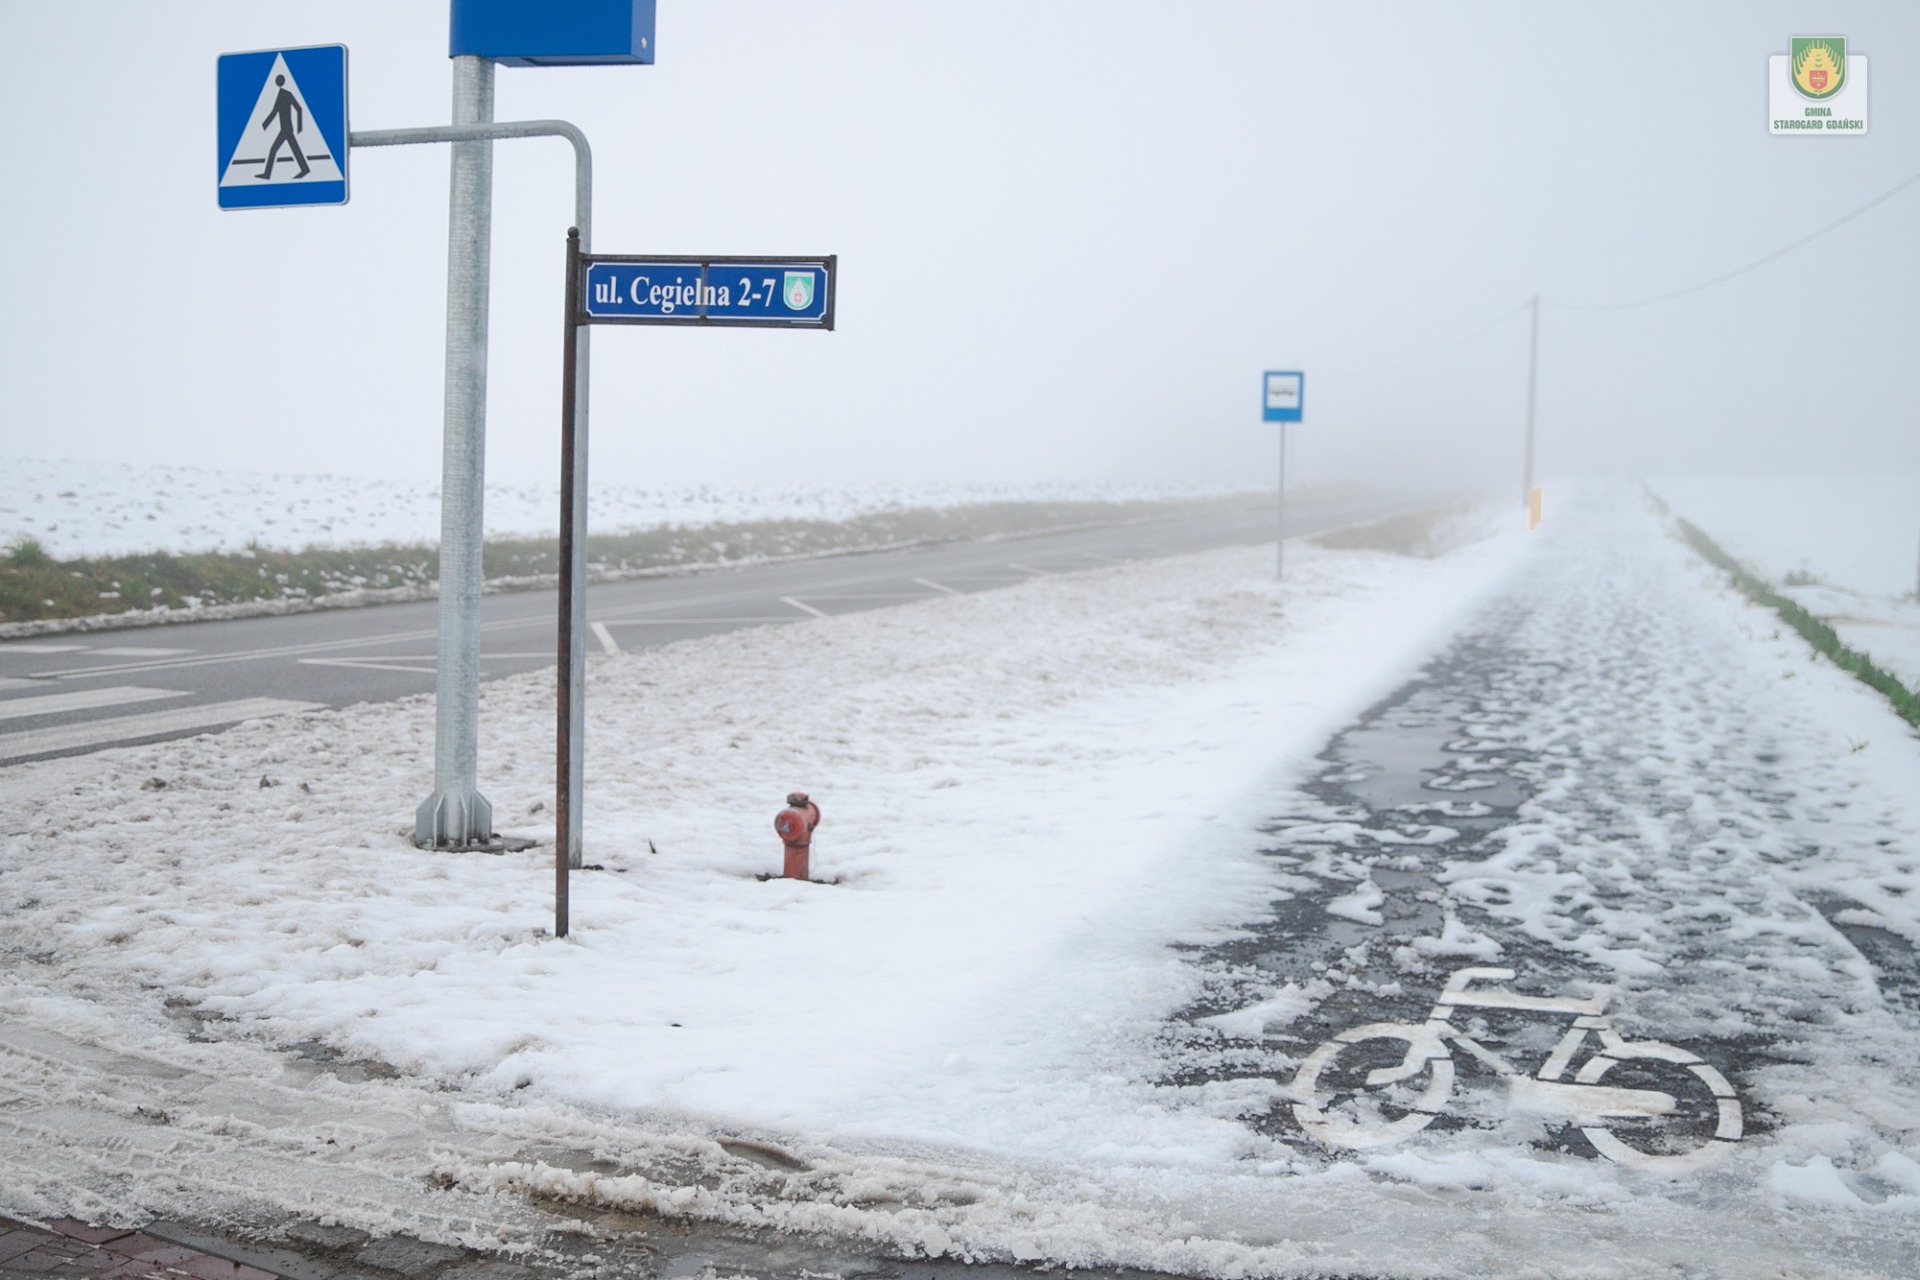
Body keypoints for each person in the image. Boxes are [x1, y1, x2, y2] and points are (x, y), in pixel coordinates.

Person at [257, 74, 311, 181]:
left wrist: (300, 127)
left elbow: (298, 109)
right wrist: (264, 125)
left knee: (274, 149)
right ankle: (304, 169)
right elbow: (275, 111)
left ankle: (267, 174)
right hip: (285, 129)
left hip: (287, 129)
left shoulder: (285, 94)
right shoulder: (282, 94)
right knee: (293, 149)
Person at [774, 791, 821, 880]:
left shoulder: (787, 817)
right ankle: (799, 878)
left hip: (796, 832)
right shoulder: (801, 816)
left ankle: (793, 878)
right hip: (799, 835)